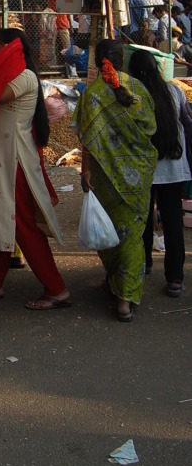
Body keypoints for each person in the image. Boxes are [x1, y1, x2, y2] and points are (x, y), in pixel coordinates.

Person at [0, 28, 69, 309]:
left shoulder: (24, 77)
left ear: (8, 48)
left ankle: (56, 289)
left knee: (20, 222)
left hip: (13, 161)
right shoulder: (10, 75)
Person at [74, 39, 157, 322]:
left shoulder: (92, 94)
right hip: (138, 173)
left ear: (98, 62)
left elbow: (85, 137)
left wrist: (85, 172)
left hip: (105, 176)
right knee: (132, 236)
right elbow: (151, 127)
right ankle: (125, 299)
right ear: (122, 59)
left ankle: (114, 281)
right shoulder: (139, 90)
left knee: (107, 232)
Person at [128, 50, 191, 298]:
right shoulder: (174, 91)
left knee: (142, 219)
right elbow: (187, 122)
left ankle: (143, 266)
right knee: (174, 222)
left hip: (143, 169)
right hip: (174, 167)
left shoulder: (133, 97)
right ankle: (175, 278)